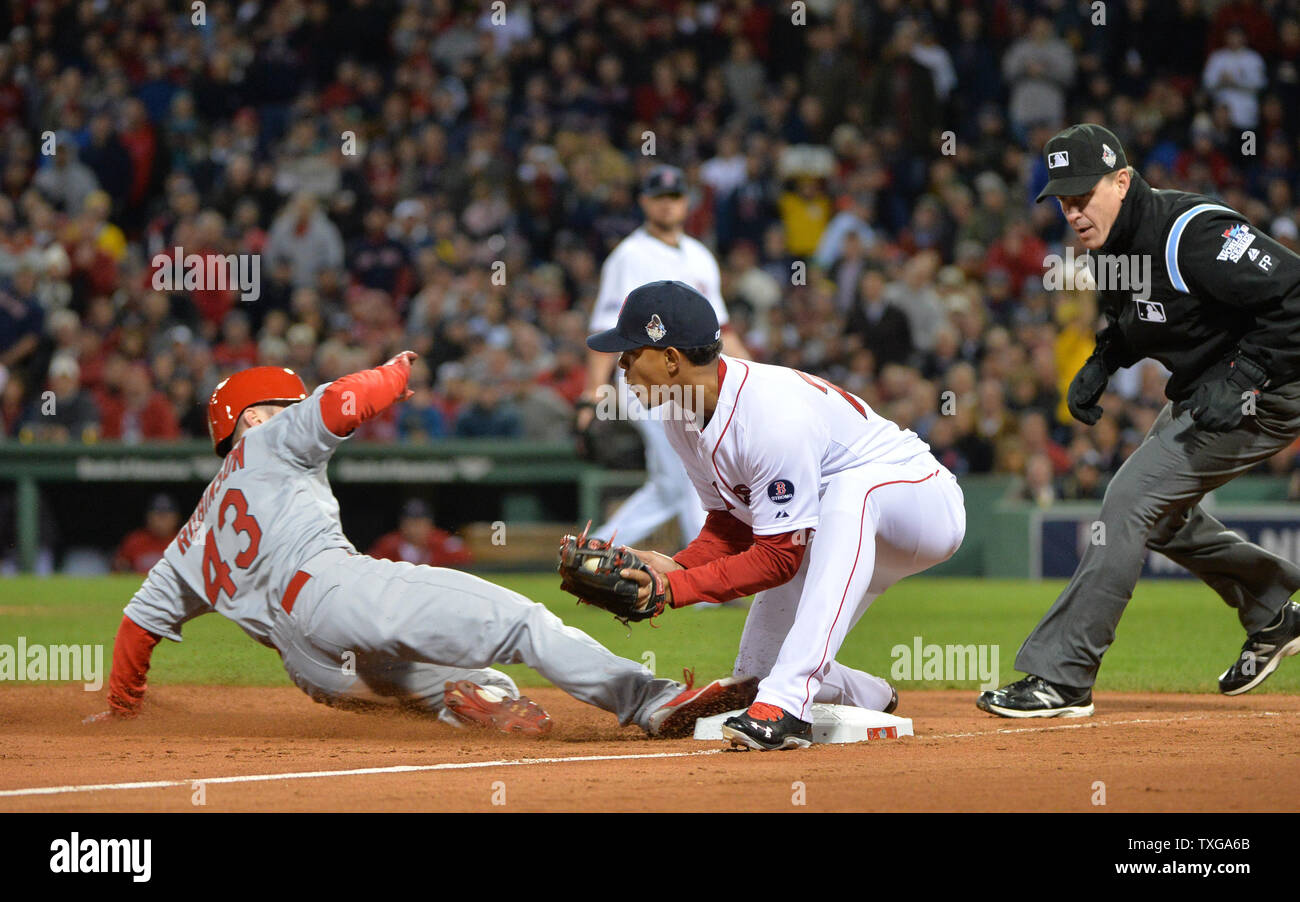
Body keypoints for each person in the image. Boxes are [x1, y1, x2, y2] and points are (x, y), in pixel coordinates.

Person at [84, 356, 756, 738]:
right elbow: (342, 403)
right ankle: (652, 700)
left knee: (445, 681)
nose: (289, 410)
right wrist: (395, 373)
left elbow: (138, 627)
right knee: (522, 621)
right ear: (252, 420)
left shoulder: (193, 534)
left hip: (310, 666)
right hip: (333, 592)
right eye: (279, 404)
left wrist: (122, 711)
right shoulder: (268, 439)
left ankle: (466, 699)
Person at [979, 124, 1300, 718]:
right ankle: (1271, 603)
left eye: (1084, 195)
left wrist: (1244, 378)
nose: (1073, 212)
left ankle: (1063, 677)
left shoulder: (1193, 232)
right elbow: (1133, 319)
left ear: (1122, 180)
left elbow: (1294, 295)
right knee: (1160, 517)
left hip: (1272, 390)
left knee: (1129, 499)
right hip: (1208, 392)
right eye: (1063, 201)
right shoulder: (1110, 249)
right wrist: (1102, 361)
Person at [587, 281, 966, 750]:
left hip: (919, 503)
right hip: (835, 530)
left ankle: (789, 705)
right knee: (758, 672)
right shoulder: (680, 414)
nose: (620, 364)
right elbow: (730, 527)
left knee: (852, 489)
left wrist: (674, 590)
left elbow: (780, 558)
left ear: (671, 359)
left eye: (630, 352)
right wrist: (676, 566)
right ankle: (865, 693)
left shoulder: (769, 416)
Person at [576, 165, 748, 551]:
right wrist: (593, 392)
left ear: (685, 203)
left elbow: (723, 329)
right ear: (644, 202)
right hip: (646, 379)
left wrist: (755, 374)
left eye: (674, 197)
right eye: (659, 197)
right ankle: (706, 577)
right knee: (692, 471)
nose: (667, 205)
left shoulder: (700, 256)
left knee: (671, 485)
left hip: (691, 379)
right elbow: (606, 326)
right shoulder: (629, 256)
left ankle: (593, 550)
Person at [368, 498, 472, 567]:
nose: (415, 529)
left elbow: (466, 561)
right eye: (411, 523)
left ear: (430, 524)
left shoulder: (444, 543)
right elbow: (371, 566)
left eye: (420, 523)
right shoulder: (388, 544)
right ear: (402, 524)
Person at [113, 493, 180, 574]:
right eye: (158, 515)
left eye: (165, 516)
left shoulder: (183, 541)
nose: (161, 521)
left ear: (176, 518)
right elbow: (118, 570)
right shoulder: (135, 541)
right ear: (148, 518)